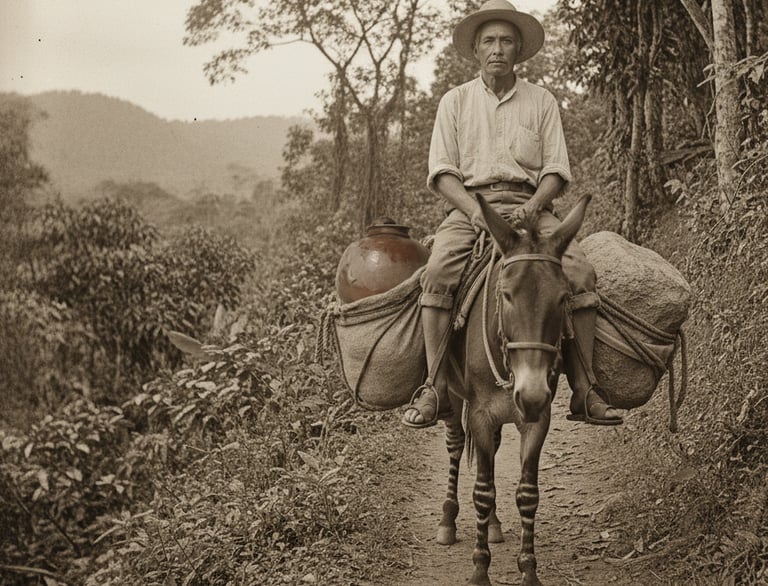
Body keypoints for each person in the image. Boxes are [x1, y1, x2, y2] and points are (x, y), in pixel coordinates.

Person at [402, 0, 623, 428]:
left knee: (579, 273)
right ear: (476, 50)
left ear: (519, 49)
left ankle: (585, 389)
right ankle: (434, 387)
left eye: (506, 41)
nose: (497, 49)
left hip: (532, 208)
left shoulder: (541, 101)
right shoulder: (455, 102)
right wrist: (475, 212)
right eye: (489, 41)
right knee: (438, 273)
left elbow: (556, 170)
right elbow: (442, 174)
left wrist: (534, 205)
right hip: (471, 208)